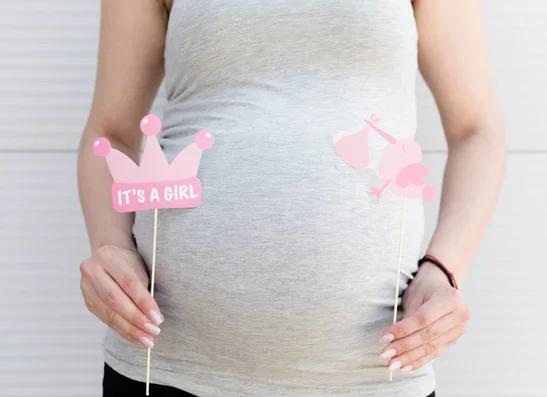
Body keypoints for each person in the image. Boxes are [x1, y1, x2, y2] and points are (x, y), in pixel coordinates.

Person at [77, 0, 507, 396]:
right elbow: (110, 132)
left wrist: (442, 270)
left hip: (374, 375)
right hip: (166, 367)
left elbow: (476, 130)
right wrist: (110, 247)